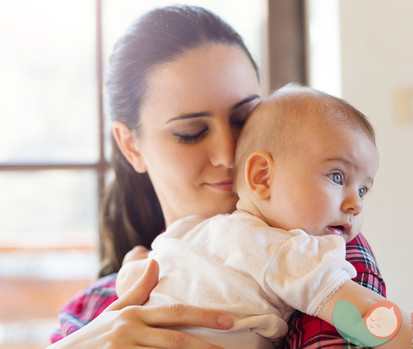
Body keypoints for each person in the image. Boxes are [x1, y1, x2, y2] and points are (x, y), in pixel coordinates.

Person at [49, 5, 385, 348]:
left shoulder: (317, 250)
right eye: (191, 132)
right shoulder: (87, 310)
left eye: (244, 119)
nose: (228, 155)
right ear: (131, 146)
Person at [114, 85, 413, 348]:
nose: (356, 204)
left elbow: (136, 284)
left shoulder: (189, 231)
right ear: (262, 176)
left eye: (364, 190)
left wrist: (132, 262)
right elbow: (367, 314)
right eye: (337, 177)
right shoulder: (289, 253)